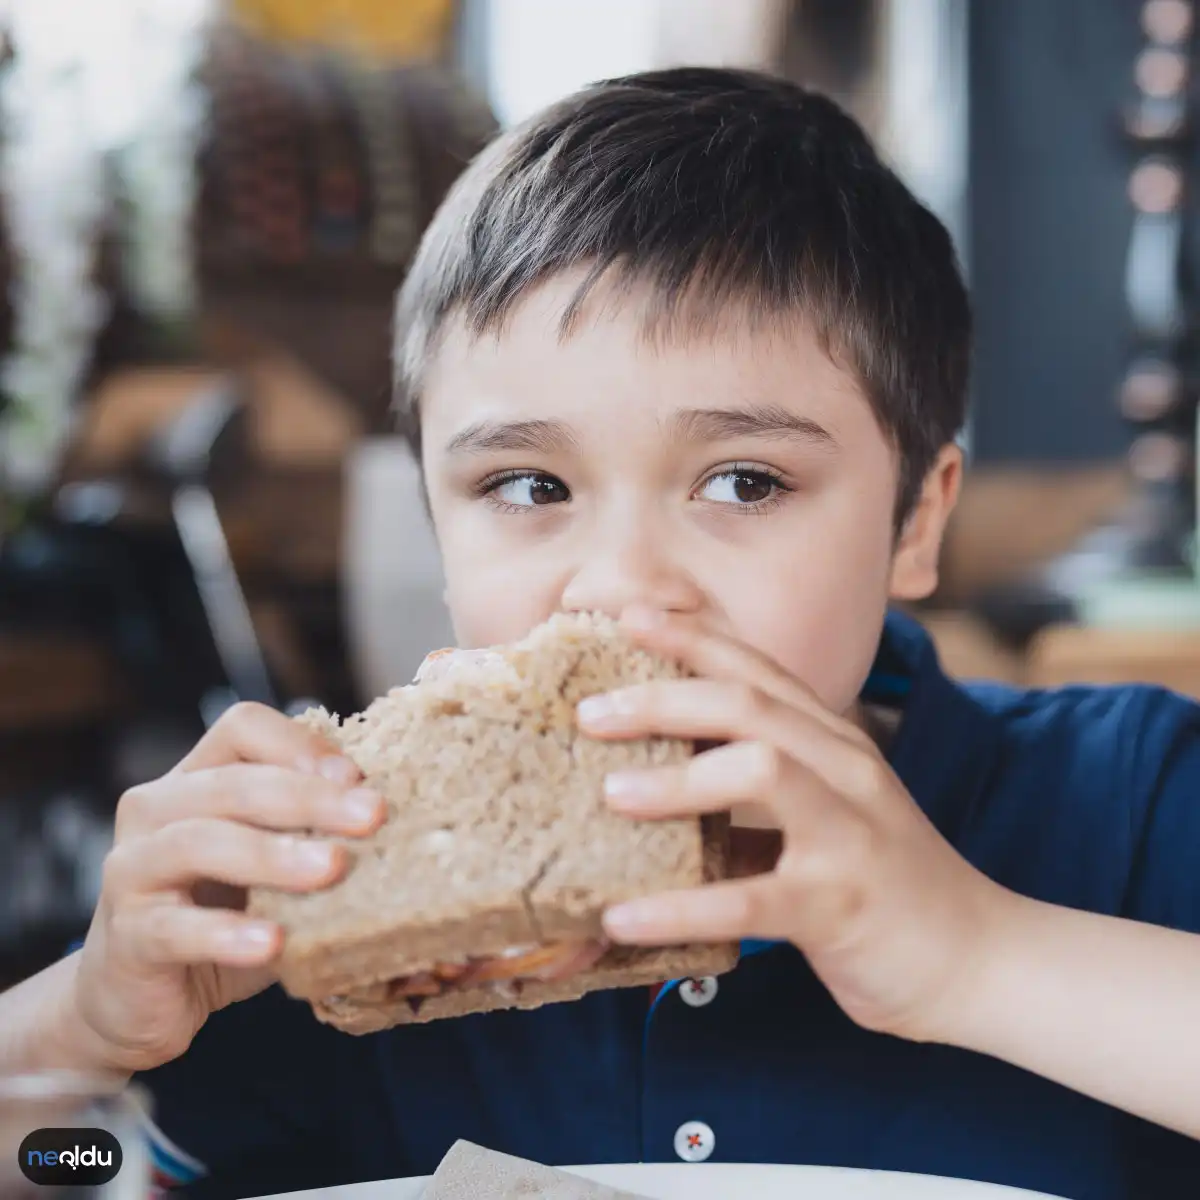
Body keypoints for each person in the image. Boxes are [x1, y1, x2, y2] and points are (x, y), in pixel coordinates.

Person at [3, 68, 1200, 1200]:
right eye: (527, 488)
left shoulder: (1129, 796)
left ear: (914, 522)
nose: (621, 590)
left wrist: (975, 954)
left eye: (744, 483)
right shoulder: (320, 910)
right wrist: (86, 1023)